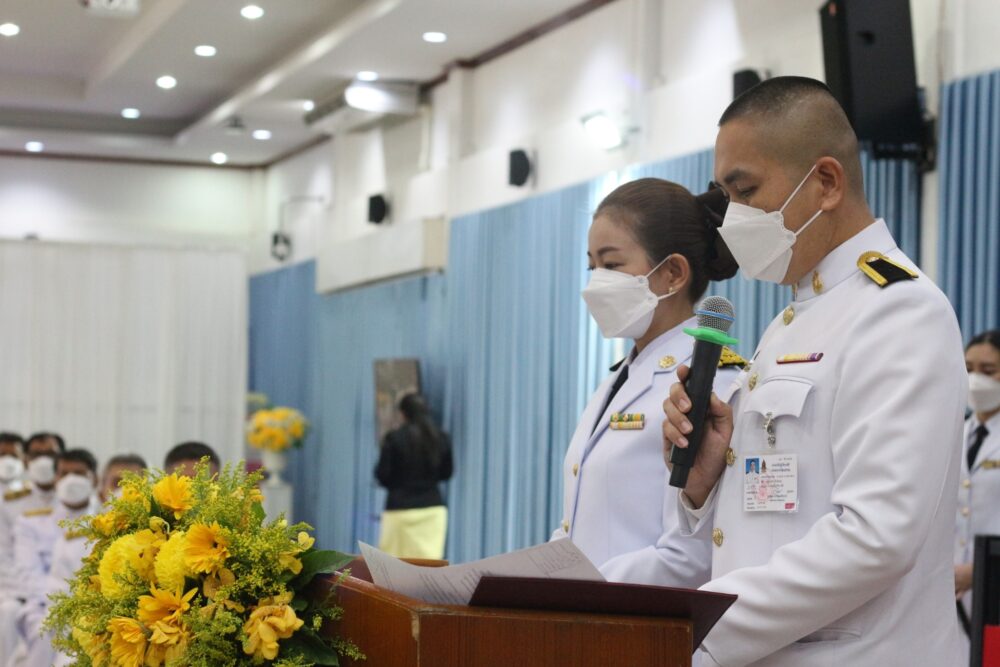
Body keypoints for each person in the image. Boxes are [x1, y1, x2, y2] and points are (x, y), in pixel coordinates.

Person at [660, 77, 965, 665]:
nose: (731, 217)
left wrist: (698, 632)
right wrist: (705, 482)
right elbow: (772, 516)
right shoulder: (792, 320)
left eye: (745, 191)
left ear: (826, 182)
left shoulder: (900, 310)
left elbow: (875, 538)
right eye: (726, 196)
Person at [551, 177, 743, 588]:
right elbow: (579, 526)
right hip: (585, 612)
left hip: (639, 617)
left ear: (672, 273)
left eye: (611, 265)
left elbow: (691, 557)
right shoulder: (618, 379)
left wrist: (574, 588)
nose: (595, 283)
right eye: (591, 266)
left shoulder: (712, 384)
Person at [13, 448, 100, 667]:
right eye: (64, 473)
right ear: (55, 479)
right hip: (43, 605)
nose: (71, 480)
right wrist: (60, 605)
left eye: (79, 473)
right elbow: (28, 573)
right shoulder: (31, 522)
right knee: (44, 632)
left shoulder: (106, 524)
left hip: (92, 609)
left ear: (94, 479)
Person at [955, 329, 1000, 653]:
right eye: (968, 369)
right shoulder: (955, 433)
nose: (976, 379)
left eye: (988, 370)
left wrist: (980, 571)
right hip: (952, 592)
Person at [375, 393, 453, 559]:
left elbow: (382, 475)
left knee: (391, 566)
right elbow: (447, 473)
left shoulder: (394, 438)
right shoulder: (441, 438)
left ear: (403, 414)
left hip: (399, 508)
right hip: (432, 509)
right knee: (428, 565)